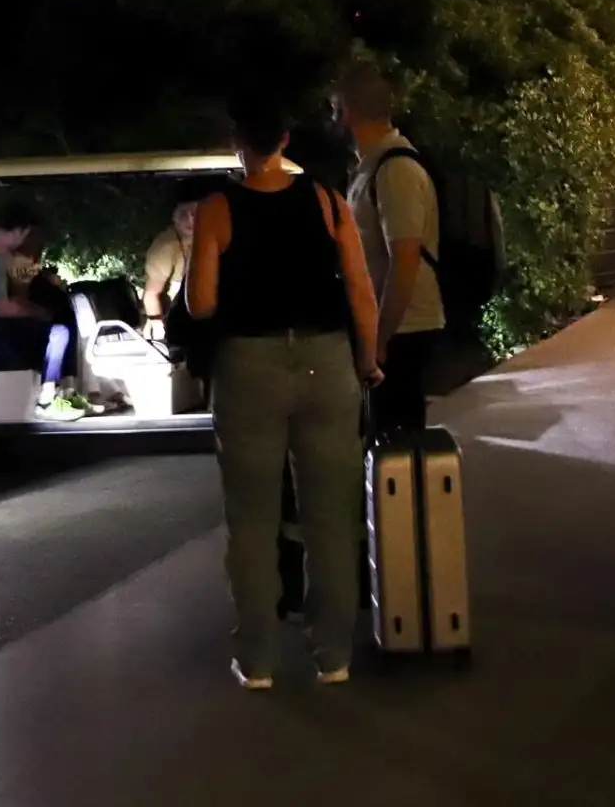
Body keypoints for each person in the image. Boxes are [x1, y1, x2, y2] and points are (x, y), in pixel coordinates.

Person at [188, 89, 382, 690]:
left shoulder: (219, 209)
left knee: (252, 518)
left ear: (237, 143)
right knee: (331, 517)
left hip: (248, 366)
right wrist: (368, 359)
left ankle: (258, 661)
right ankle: (333, 655)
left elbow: (201, 302)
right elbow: (360, 290)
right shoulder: (326, 201)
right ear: (285, 141)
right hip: (326, 361)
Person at [332, 64, 446, 436]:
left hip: (403, 329)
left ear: (346, 112)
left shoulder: (395, 169)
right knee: (387, 440)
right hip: (395, 327)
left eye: (334, 109)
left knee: (397, 440)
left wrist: (379, 341)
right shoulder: (374, 166)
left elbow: (404, 260)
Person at [0, 203, 75, 418]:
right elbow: (4, 308)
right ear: (21, 231)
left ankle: (58, 390)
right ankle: (48, 398)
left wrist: (37, 310)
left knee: (54, 323)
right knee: (59, 332)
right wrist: (39, 313)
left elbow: (13, 299)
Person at [142, 191, 198, 341]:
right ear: (174, 217)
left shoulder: (211, 238)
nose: (190, 220)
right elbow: (151, 294)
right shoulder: (166, 246)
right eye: (183, 214)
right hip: (172, 319)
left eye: (195, 213)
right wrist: (158, 326)